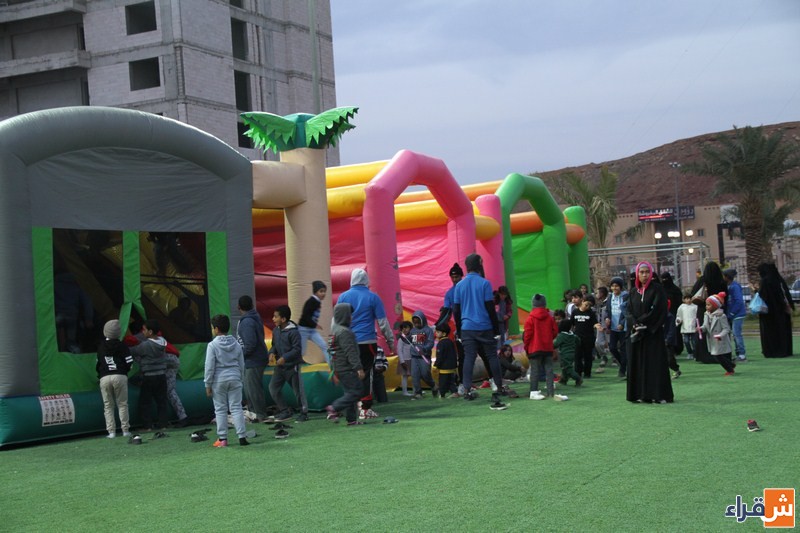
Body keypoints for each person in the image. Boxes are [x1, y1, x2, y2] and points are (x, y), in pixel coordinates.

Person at [337, 268, 395, 419]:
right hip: (367, 341)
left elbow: (336, 322)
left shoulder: (343, 296)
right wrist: (390, 342)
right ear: (366, 280)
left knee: (351, 373)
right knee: (366, 373)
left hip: (347, 342)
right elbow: (383, 323)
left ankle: (350, 407)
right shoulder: (373, 297)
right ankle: (365, 408)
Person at [453, 253, 507, 410]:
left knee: (469, 358)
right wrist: (496, 329)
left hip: (467, 328)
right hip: (484, 327)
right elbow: (490, 308)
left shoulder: (459, 286)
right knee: (492, 356)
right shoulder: (485, 283)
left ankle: (467, 389)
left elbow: (456, 310)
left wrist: (459, 330)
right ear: (479, 265)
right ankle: (498, 386)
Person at [626, 262, 674, 404]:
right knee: (638, 363)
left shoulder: (657, 289)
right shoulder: (633, 291)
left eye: (647, 272)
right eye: (641, 272)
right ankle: (640, 394)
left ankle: (658, 395)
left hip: (653, 333)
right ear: (637, 274)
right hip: (637, 335)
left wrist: (643, 322)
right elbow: (628, 310)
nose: (644, 275)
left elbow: (659, 309)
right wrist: (634, 323)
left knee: (654, 364)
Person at [204, 314, 249, 447]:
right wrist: (240, 379)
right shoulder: (236, 344)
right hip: (235, 378)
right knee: (236, 408)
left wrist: (208, 384)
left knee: (220, 409)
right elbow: (241, 364)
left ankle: (222, 439)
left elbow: (209, 366)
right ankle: (242, 437)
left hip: (219, 380)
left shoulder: (212, 345)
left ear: (216, 329)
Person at [325, 303, 366, 426]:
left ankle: (351, 419)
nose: (351, 317)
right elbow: (350, 352)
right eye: (350, 315)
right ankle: (334, 407)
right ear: (344, 316)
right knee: (357, 391)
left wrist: (332, 370)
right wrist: (358, 368)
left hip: (339, 368)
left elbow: (331, 352)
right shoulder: (344, 332)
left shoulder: (334, 331)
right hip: (347, 368)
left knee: (349, 393)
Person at [268, 305, 308, 422]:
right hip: (280, 367)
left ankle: (304, 413)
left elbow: (297, 349)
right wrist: (271, 352)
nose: (273, 319)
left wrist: (285, 357)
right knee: (273, 388)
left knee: (298, 391)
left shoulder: (293, 332)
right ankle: (285, 411)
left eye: (275, 317)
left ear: (283, 319)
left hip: (292, 367)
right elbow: (274, 345)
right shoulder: (276, 331)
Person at [523, 294, 567, 401]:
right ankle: (550, 391)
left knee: (535, 370)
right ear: (544, 303)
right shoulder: (550, 318)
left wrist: (526, 346)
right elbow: (555, 331)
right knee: (549, 370)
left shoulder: (530, 318)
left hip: (534, 348)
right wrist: (548, 339)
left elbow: (527, 334)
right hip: (547, 347)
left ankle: (533, 392)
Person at [96, 319, 133, 438]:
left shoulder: (101, 346)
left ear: (105, 331)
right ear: (119, 332)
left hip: (104, 377)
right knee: (122, 404)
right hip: (120, 376)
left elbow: (98, 364)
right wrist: (124, 371)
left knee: (108, 405)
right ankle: (125, 430)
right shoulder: (122, 345)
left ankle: (111, 432)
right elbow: (129, 363)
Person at [129, 319, 169, 430]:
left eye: (144, 330)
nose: (143, 332)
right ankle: (163, 424)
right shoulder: (163, 342)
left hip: (149, 376)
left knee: (145, 402)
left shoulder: (145, 345)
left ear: (150, 332)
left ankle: (148, 425)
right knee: (161, 401)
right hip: (162, 375)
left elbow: (133, 351)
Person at [236, 295, 270, 423]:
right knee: (251, 388)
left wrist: (240, 356)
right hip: (256, 358)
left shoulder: (247, 322)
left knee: (253, 389)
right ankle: (253, 413)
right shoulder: (254, 317)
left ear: (238, 307)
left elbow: (250, 344)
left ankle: (259, 414)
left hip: (253, 359)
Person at [690, 262, 727, 364]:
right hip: (717, 310)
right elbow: (726, 296)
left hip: (703, 309)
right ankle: (720, 355)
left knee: (704, 331)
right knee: (718, 331)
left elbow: (693, 293)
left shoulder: (702, 280)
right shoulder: (721, 282)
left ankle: (703, 355)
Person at [756, 263, 794, 358]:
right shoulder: (779, 280)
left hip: (768, 313)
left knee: (770, 333)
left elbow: (763, 296)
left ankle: (772, 351)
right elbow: (785, 294)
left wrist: (756, 290)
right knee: (782, 331)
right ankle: (785, 350)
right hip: (781, 311)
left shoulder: (765, 281)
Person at [436, 263, 466, 385]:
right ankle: (463, 383)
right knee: (462, 356)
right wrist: (437, 325)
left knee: (482, 354)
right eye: (452, 277)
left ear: (461, 276)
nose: (454, 279)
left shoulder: (467, 289)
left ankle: (493, 380)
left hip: (473, 325)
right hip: (461, 328)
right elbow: (446, 311)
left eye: (457, 277)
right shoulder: (449, 293)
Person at [698, 292, 736, 375]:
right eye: (706, 305)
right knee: (718, 355)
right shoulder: (706, 314)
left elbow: (726, 329)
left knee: (718, 356)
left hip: (720, 339)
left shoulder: (721, 316)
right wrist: (700, 328)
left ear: (715, 306)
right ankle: (731, 365)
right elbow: (705, 326)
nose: (706, 306)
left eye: (709, 305)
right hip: (712, 339)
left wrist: (720, 335)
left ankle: (730, 369)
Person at [298, 281, 330, 365]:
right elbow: (305, 316)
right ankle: (294, 367)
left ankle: (331, 366)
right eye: (321, 291)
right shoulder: (312, 301)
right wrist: (315, 325)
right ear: (315, 292)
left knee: (323, 345)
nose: (323, 293)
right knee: (302, 351)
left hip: (311, 330)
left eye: (324, 291)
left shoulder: (317, 301)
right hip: (303, 329)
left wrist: (314, 325)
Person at [409, 310, 438, 399]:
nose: (416, 324)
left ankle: (433, 385)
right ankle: (418, 393)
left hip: (424, 356)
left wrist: (424, 348)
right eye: (415, 322)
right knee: (415, 374)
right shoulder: (412, 330)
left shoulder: (428, 330)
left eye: (418, 322)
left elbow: (431, 342)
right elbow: (409, 340)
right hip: (414, 356)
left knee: (425, 374)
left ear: (423, 320)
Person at [605, 276, 629, 378]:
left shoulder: (626, 296)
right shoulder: (610, 297)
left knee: (624, 350)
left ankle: (622, 370)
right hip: (613, 327)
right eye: (613, 286)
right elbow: (607, 310)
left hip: (623, 328)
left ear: (621, 287)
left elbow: (628, 312)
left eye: (617, 286)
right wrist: (607, 318)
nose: (614, 288)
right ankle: (623, 364)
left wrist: (622, 323)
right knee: (612, 348)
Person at [723, 269, 747, 362]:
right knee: (735, 334)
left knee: (737, 334)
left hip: (737, 314)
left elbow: (738, 301)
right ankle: (738, 353)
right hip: (733, 314)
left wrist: (732, 313)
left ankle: (741, 354)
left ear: (727, 277)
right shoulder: (729, 286)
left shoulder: (734, 287)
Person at [571, 296, 598, 379]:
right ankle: (578, 372)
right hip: (577, 337)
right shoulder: (575, 312)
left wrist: (597, 326)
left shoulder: (591, 313)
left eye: (590, 306)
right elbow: (572, 323)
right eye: (586, 304)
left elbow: (595, 323)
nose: (587, 307)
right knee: (577, 356)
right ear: (582, 301)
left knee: (588, 356)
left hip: (588, 338)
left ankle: (587, 373)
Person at [660, 272, 685, 356]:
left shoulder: (675, 290)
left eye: (666, 279)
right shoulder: (661, 289)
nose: (664, 280)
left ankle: (677, 348)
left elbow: (679, 302)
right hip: (664, 313)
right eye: (663, 279)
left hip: (674, 312)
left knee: (675, 331)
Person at [553, 319, 583, 387]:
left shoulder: (561, 336)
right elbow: (578, 341)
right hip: (572, 354)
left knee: (568, 368)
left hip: (564, 354)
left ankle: (578, 378)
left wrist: (550, 346)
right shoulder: (573, 335)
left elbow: (555, 344)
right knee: (565, 367)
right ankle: (563, 380)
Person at [433, 323, 459, 398]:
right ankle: (454, 392)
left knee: (442, 381)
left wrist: (436, 365)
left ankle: (442, 394)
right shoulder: (450, 341)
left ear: (444, 334)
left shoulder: (441, 343)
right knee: (451, 381)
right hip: (452, 366)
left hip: (444, 367)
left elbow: (440, 356)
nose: (436, 333)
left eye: (438, 332)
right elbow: (454, 353)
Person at [675, 294, 698, 360]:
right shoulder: (681, 307)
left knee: (694, 342)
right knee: (686, 341)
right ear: (684, 300)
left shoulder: (695, 307)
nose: (688, 300)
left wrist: (697, 325)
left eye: (690, 298)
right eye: (687, 299)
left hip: (693, 327)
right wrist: (678, 321)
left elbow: (697, 316)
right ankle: (689, 352)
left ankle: (695, 354)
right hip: (685, 327)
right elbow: (679, 315)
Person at [395, 321, 414, 396]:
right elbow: (399, 351)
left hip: (412, 359)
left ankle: (416, 390)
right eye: (403, 328)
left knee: (414, 376)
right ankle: (404, 392)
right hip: (405, 361)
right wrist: (402, 361)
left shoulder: (412, 338)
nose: (405, 329)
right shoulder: (401, 339)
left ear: (410, 328)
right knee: (405, 376)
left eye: (407, 328)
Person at [594, 286, 611, 369]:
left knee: (611, 343)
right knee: (597, 343)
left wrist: (608, 326)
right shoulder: (598, 303)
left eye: (597, 293)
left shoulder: (609, 302)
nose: (596, 294)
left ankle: (615, 359)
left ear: (602, 293)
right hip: (600, 326)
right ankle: (604, 357)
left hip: (607, 327)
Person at [664, 302, 682, 379]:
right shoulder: (656, 315)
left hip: (668, 342)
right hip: (658, 341)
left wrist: (668, 340)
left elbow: (672, 330)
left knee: (670, 359)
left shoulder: (669, 316)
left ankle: (676, 369)